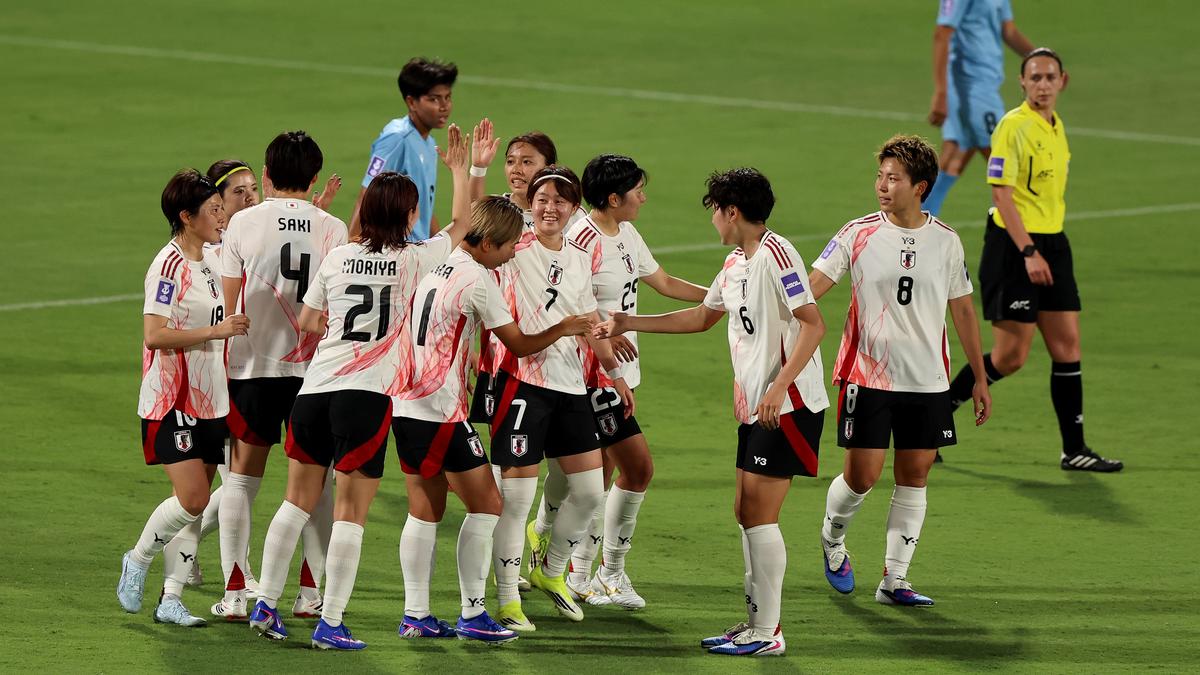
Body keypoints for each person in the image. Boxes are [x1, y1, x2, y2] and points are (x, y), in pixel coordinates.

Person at [248, 123, 471, 651]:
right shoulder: (413, 260)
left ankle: (265, 604)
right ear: (409, 216)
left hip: (314, 391)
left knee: (295, 502)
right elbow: (463, 224)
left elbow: (308, 321)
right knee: (351, 514)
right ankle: (330, 622)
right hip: (365, 398)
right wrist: (461, 171)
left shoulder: (339, 256)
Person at [594, 167, 827, 657]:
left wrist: (779, 388)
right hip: (756, 406)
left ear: (732, 212)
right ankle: (757, 622)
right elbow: (702, 317)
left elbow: (813, 324)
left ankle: (768, 632)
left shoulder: (777, 254)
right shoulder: (736, 262)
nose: (713, 221)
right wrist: (628, 321)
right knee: (745, 511)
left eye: (716, 212)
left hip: (787, 405)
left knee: (759, 515)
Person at [392, 196, 592, 644]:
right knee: (488, 505)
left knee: (424, 511)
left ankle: (416, 614)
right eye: (508, 246)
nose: (512, 253)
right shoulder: (478, 279)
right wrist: (565, 326)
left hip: (405, 404)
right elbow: (518, 345)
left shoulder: (438, 259)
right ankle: (473, 612)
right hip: (442, 411)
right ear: (488, 244)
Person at [808, 135, 991, 609]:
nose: (882, 186)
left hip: (928, 380)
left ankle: (895, 579)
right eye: (880, 176)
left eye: (893, 178)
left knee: (915, 475)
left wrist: (980, 377)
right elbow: (812, 288)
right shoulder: (857, 233)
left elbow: (963, 311)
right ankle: (833, 537)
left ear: (920, 186)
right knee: (862, 476)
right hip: (867, 376)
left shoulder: (946, 241)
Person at [528, 154, 707, 610]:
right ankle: (603, 571)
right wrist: (607, 366)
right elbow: (571, 307)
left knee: (598, 475)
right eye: (637, 191)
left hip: (621, 371)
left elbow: (663, 281)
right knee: (635, 468)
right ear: (613, 198)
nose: (643, 198)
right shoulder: (581, 239)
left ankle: (572, 566)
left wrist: (720, 297)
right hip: (593, 373)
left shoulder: (625, 232)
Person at [944, 49, 1120, 471]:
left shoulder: (1056, 126)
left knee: (1067, 346)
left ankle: (1074, 450)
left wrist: (1044, 249)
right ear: (1022, 82)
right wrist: (1028, 252)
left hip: (1054, 243)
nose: (1043, 85)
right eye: (1035, 77)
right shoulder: (1013, 125)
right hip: (1014, 246)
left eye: (1049, 77)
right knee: (1011, 357)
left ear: (1063, 81)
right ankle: (935, 415)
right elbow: (1001, 193)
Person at [488, 166, 633, 631]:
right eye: (542, 199)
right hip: (523, 385)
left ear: (574, 208)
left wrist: (614, 374)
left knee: (588, 492)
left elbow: (589, 322)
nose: (550, 208)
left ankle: (550, 571)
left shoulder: (578, 256)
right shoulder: (513, 248)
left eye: (560, 201)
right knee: (516, 500)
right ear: (530, 203)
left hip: (571, 387)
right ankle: (507, 600)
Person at [213, 132, 348, 622]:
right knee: (317, 482)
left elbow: (229, 300)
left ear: (267, 175)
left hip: (251, 367)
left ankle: (234, 595)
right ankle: (310, 594)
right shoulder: (333, 228)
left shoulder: (242, 223)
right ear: (315, 178)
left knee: (241, 480)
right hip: (315, 373)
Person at [116, 169, 249, 627]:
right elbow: (154, 335)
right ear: (186, 217)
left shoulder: (211, 257)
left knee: (194, 503)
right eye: (213, 210)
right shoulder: (167, 267)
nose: (221, 216)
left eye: (221, 208)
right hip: (173, 399)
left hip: (211, 398)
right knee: (193, 498)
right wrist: (216, 331)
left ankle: (171, 598)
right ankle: (137, 558)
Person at [924, 0, 1034, 216]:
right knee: (1006, 160)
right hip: (969, 87)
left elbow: (1009, 31)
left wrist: (1041, 57)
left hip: (987, 85)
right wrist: (941, 92)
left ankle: (911, 225)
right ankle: (1018, 228)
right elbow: (942, 33)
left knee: (953, 159)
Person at [350, 57, 458, 242]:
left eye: (447, 97)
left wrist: (439, 247)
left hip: (416, 250)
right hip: (394, 249)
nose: (444, 106)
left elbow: (425, 204)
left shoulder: (429, 143)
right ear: (411, 102)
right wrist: (352, 240)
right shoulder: (396, 138)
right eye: (434, 99)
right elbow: (367, 195)